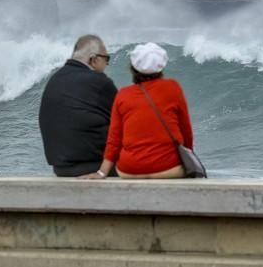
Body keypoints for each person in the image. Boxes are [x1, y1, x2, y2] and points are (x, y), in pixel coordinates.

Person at [82, 42, 193, 179]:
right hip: (168, 168)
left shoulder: (123, 94)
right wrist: (190, 158)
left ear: (133, 67)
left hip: (129, 170)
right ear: (161, 66)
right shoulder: (173, 88)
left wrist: (102, 172)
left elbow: (114, 139)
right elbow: (186, 131)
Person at [39, 34, 118, 177]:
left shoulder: (54, 80)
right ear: (93, 59)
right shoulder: (99, 81)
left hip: (61, 168)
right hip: (96, 165)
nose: (107, 65)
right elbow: (124, 120)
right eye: (106, 59)